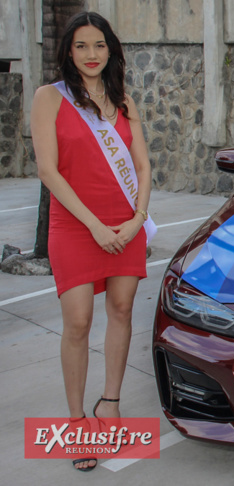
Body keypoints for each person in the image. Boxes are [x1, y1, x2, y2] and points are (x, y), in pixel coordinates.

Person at [30, 11, 155, 472]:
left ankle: (110, 404)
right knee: (78, 322)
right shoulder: (50, 97)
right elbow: (48, 170)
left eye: (98, 45)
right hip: (75, 226)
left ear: (110, 49)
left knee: (122, 312)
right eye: (81, 46)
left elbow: (141, 166)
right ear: (68, 51)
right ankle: (77, 421)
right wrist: (94, 227)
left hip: (126, 224)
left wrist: (137, 218)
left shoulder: (122, 98)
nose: (90, 55)